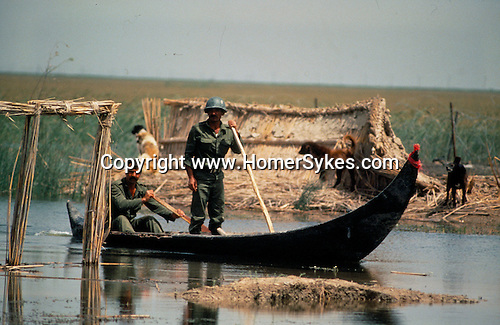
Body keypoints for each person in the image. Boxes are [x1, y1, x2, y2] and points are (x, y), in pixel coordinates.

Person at [184, 96, 241, 235]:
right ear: (207, 112)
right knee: (198, 215)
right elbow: (188, 156)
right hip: (201, 177)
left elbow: (238, 150)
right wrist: (191, 178)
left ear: (222, 113)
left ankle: (215, 238)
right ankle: (194, 239)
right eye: (211, 111)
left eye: (217, 111)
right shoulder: (197, 130)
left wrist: (236, 132)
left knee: (217, 215)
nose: (214, 113)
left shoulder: (228, 131)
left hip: (217, 177)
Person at [110, 164, 183, 233]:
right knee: (122, 219)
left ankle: (162, 241)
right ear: (126, 173)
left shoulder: (141, 189)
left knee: (150, 220)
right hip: (116, 224)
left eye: (137, 173)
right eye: (131, 172)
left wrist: (172, 214)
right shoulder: (116, 186)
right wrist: (143, 200)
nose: (134, 175)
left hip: (131, 224)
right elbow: (121, 204)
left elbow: (156, 206)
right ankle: (133, 241)